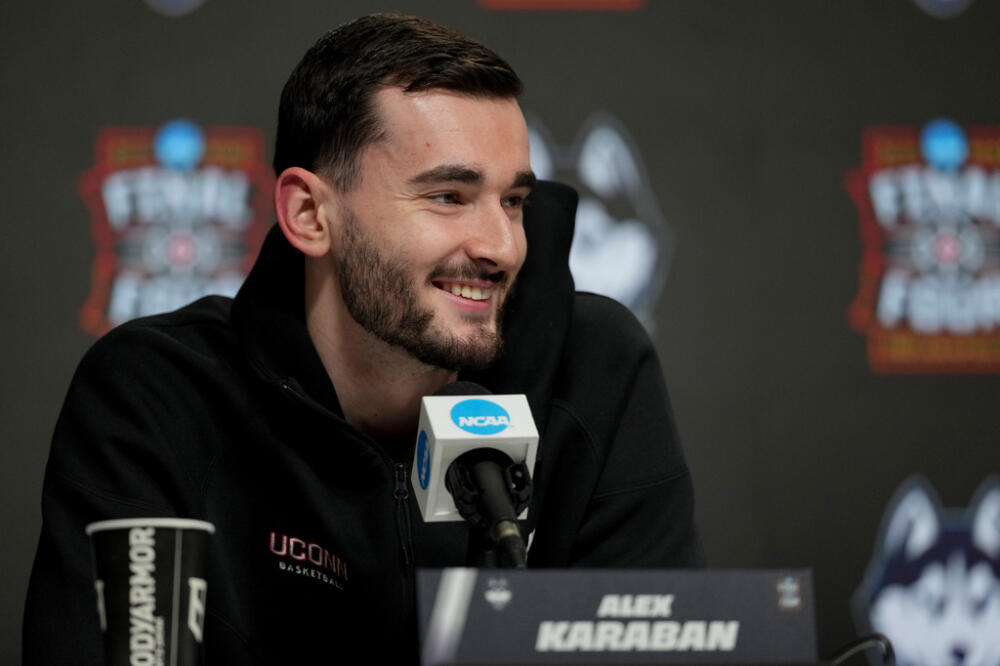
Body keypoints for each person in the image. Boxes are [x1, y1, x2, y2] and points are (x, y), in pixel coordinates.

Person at [24, 13, 702, 664]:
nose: (500, 246)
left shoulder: (594, 367)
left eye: (514, 202)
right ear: (309, 214)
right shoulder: (161, 397)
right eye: (447, 197)